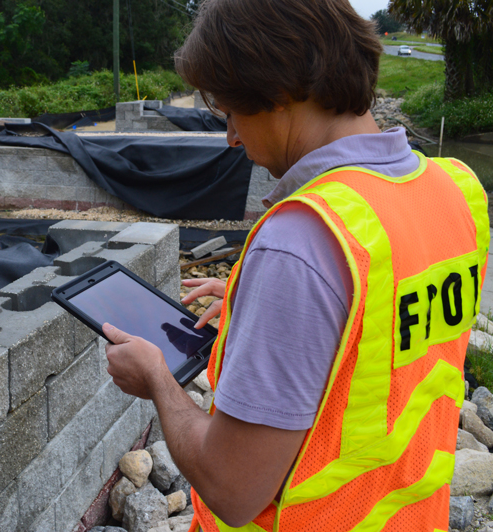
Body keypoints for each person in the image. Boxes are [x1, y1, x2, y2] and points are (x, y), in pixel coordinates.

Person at [102, 0, 490, 530]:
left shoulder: (302, 242)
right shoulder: (454, 192)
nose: (233, 137)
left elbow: (233, 489)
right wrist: (262, 306)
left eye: (232, 112)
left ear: (281, 94)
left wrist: (155, 379)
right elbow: (376, 337)